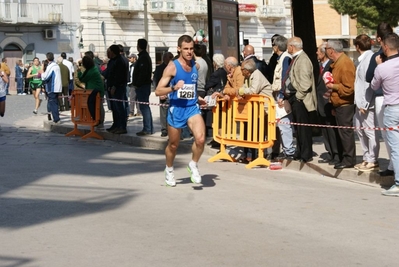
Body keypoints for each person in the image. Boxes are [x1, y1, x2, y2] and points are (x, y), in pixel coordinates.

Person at [155, 34, 206, 187]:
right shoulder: (172, 67)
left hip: (192, 108)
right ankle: (169, 169)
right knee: (173, 144)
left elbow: (191, 88)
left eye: (191, 49)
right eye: (185, 49)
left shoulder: (196, 66)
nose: (189, 52)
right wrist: (173, 88)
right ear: (179, 49)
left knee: (201, 139)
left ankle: (193, 164)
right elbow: (158, 91)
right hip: (176, 109)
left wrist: (198, 98)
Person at [278, 36, 317, 163]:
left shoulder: (303, 60)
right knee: (298, 129)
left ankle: (306, 154)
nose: (287, 48)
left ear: (292, 46)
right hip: (296, 98)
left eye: (288, 45)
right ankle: (300, 152)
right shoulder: (296, 58)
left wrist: (298, 97)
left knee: (303, 128)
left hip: (301, 99)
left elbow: (305, 84)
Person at [370, 32, 399, 196]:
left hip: (392, 108)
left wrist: (378, 64)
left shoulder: (382, 67)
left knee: (396, 148)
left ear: (386, 48)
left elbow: (374, 86)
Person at [366, 22, 394, 177]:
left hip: (383, 97)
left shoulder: (378, 55)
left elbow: (369, 77)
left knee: (387, 134)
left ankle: (392, 165)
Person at [325, 39, 356, 169]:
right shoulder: (337, 63)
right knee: (342, 133)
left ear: (331, 50)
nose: (325, 51)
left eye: (326, 49)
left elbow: (349, 88)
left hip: (345, 105)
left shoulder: (345, 64)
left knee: (345, 133)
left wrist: (333, 86)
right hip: (338, 104)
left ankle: (349, 160)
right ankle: (344, 158)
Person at [353, 34, 379, 171]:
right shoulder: (362, 60)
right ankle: (366, 156)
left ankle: (372, 159)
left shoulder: (370, 59)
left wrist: (365, 103)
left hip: (366, 103)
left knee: (370, 131)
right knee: (359, 130)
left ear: (357, 47)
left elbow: (368, 84)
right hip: (359, 102)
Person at [315, 42, 341, 165]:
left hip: (328, 101)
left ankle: (336, 154)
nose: (316, 53)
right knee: (325, 130)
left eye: (318, 52)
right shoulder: (320, 66)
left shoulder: (331, 65)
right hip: (321, 103)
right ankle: (330, 153)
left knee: (331, 130)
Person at [101, 45, 129, 134]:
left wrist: (114, 86)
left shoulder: (120, 61)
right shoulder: (111, 61)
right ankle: (116, 124)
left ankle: (122, 126)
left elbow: (119, 76)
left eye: (108, 51)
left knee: (119, 107)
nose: (107, 53)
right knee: (114, 107)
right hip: (110, 86)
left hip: (118, 87)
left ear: (113, 52)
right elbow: (108, 72)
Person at [204, 53, 227, 146]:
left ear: (215, 63)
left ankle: (218, 140)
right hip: (223, 98)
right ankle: (218, 139)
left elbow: (208, 85)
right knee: (221, 120)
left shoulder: (215, 74)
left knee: (216, 120)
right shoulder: (225, 72)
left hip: (217, 99)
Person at [133, 39, 153, 136]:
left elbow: (142, 73)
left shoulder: (144, 58)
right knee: (144, 107)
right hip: (143, 85)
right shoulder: (143, 57)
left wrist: (137, 83)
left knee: (144, 107)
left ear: (138, 46)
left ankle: (147, 128)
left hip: (143, 86)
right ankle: (148, 127)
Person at [77, 56, 105, 126]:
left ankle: (98, 121)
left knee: (97, 106)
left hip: (95, 91)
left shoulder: (91, 71)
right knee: (97, 106)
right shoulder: (92, 69)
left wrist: (79, 72)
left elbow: (82, 79)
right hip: (95, 90)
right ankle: (98, 120)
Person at [153, 52, 174, 137]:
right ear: (164, 58)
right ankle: (164, 129)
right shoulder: (160, 68)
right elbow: (156, 80)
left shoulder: (175, 67)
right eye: (169, 57)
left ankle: (172, 129)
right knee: (163, 112)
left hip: (173, 93)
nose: (170, 59)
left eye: (171, 57)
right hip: (163, 92)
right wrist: (159, 92)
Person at [39, 52, 62, 124]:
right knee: (55, 102)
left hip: (52, 87)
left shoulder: (50, 66)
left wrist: (42, 72)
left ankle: (56, 118)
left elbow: (45, 77)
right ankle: (56, 117)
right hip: (57, 87)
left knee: (52, 103)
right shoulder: (57, 65)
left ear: (47, 58)